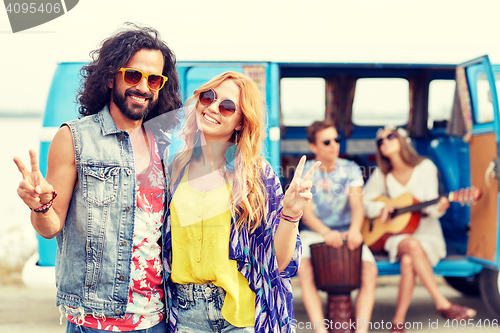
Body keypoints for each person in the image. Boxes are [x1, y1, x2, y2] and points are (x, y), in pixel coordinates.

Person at [14, 24, 182, 332]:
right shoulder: (73, 138)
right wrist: (39, 205)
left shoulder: (162, 143)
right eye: (133, 75)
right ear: (109, 77)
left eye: (154, 79)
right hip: (94, 321)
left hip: (157, 317)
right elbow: (51, 227)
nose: (143, 86)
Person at [162, 71, 321, 333]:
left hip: (241, 316)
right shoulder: (175, 169)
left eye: (227, 107)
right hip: (186, 314)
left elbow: (279, 264)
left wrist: (290, 214)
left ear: (240, 122)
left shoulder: (256, 174)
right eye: (208, 97)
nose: (213, 107)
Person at [363, 127, 476, 333]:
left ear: (402, 140)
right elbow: (365, 201)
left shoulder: (425, 167)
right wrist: (382, 208)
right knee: (410, 245)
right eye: (380, 141)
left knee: (408, 260)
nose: (384, 142)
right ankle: (442, 304)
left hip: (426, 233)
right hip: (396, 236)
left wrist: (439, 207)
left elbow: (431, 208)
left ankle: (398, 322)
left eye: (390, 136)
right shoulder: (383, 175)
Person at [298, 119, 378, 333]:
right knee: (304, 270)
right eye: (326, 142)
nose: (334, 144)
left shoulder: (351, 169)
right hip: (314, 233)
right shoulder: (306, 172)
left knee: (370, 270)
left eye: (336, 139)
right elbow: (307, 215)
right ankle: (320, 331)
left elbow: (357, 207)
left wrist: (354, 230)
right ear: (313, 147)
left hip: (346, 230)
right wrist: (326, 233)